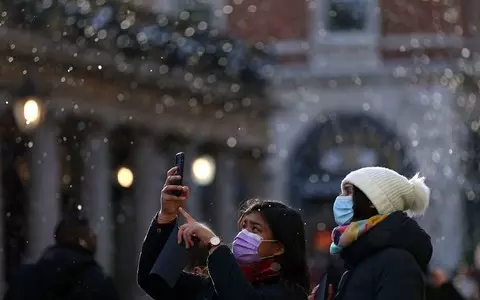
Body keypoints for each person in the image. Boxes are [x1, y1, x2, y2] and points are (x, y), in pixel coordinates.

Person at [137, 166, 310, 300]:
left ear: (278, 247)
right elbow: (152, 280)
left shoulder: (288, 293)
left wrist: (214, 244)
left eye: (255, 229)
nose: (244, 234)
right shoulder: (212, 284)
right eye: (243, 227)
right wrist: (166, 217)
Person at [313, 167, 433, 300]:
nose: (340, 199)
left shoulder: (397, 263)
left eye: (349, 192)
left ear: (372, 201)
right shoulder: (361, 258)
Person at [4, 215, 120, 300]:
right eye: (90, 234)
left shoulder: (24, 280)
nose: (95, 239)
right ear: (81, 240)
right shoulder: (98, 283)